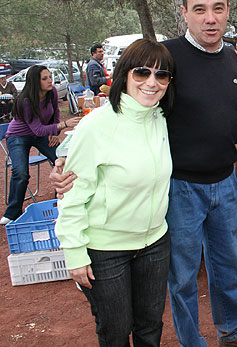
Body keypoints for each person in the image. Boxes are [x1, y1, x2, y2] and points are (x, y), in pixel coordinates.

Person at [51, 0, 237, 347]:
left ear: (228, 12)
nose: (209, 18)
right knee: (181, 276)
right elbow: (121, 110)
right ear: (184, 13)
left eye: (217, 8)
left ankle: (233, 331)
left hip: (225, 183)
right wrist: (63, 157)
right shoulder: (165, 58)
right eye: (199, 9)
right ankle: (190, 341)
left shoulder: (233, 58)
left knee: (228, 267)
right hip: (178, 187)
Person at [54, 39, 176, 346]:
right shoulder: (96, 126)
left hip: (154, 244)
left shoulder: (161, 119)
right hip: (106, 250)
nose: (152, 82)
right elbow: (72, 193)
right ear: (124, 74)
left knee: (150, 327)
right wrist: (74, 252)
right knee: (116, 331)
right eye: (142, 72)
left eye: (161, 75)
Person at [0, 66, 80, 225]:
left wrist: (54, 132)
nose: (50, 80)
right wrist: (63, 125)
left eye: (50, 77)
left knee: (64, 160)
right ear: (35, 81)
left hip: (41, 134)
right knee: (21, 173)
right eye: (45, 78)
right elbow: (36, 128)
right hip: (19, 136)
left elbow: (55, 114)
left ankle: (61, 203)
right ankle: (12, 213)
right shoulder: (26, 101)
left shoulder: (53, 93)